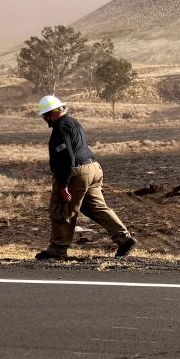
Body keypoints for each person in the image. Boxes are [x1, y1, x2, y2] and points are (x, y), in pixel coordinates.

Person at [34, 95, 137, 260]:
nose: (45, 119)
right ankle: (124, 239)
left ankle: (57, 250)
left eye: (45, 115)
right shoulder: (73, 122)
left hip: (78, 173)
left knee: (62, 209)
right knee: (95, 207)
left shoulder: (60, 129)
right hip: (93, 168)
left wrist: (63, 184)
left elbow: (67, 158)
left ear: (53, 113)